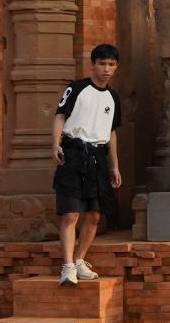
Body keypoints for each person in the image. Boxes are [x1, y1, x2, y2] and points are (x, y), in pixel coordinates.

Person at [51, 43, 123, 286]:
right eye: (102, 64)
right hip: (73, 153)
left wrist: (114, 164)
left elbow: (111, 131)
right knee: (71, 213)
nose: (106, 69)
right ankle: (67, 266)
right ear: (92, 64)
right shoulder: (77, 88)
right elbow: (60, 116)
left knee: (94, 214)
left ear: (116, 66)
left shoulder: (113, 97)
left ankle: (79, 260)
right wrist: (56, 145)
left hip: (98, 157)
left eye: (111, 64)